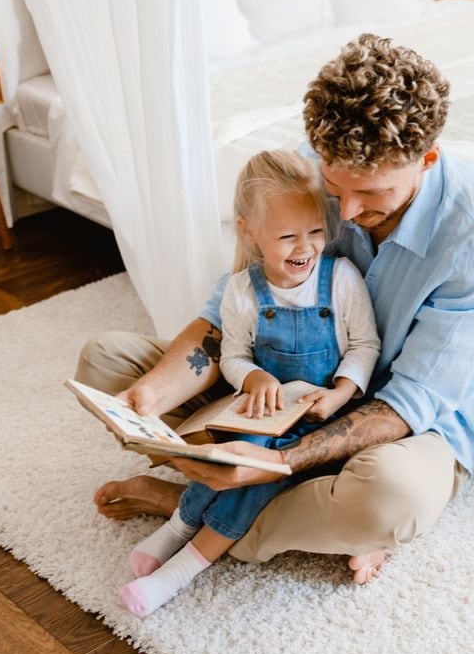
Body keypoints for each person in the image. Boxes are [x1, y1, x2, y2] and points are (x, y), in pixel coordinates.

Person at [82, 33, 474, 586]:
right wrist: (151, 397)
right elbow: (233, 308)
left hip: (406, 426)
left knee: (393, 497)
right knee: (107, 364)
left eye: (373, 193)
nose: (349, 211)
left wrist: (278, 461)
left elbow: (409, 404)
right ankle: (289, 511)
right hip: (281, 393)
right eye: (336, 189)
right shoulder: (314, 164)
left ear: (426, 159)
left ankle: (191, 506)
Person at [118, 150, 380, 616]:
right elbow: (233, 355)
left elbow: (364, 346)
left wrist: (340, 391)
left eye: (316, 231)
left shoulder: (340, 279)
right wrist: (255, 377)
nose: (305, 248)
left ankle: (182, 569)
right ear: (249, 232)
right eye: (287, 236)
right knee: (230, 452)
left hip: (321, 418)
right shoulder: (241, 290)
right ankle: (178, 526)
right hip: (260, 413)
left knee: (257, 476)